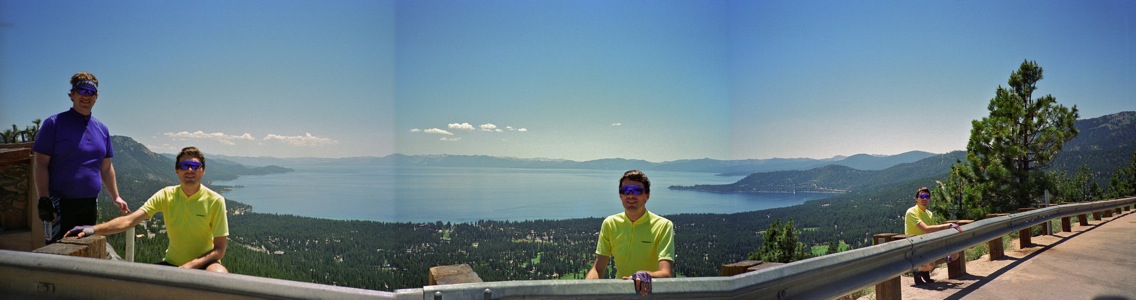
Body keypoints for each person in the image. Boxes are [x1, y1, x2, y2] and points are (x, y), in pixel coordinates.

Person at [66, 147, 230, 273]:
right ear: (177, 170)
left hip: (205, 264)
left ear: (202, 170)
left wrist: (190, 265)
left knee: (220, 275)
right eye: (185, 165)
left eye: (195, 166)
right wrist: (92, 229)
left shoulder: (215, 201)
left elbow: (219, 249)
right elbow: (130, 220)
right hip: (172, 263)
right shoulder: (166, 195)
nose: (190, 170)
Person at [34, 71, 130, 245]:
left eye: (91, 92)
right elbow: (40, 163)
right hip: (59, 204)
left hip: (89, 203)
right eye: (82, 91)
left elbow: (106, 167)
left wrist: (116, 196)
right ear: (72, 94)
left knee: (84, 251)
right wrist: (43, 198)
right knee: (57, 253)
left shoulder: (102, 129)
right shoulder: (54, 124)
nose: (86, 96)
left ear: (96, 96)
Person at [586, 170, 675, 296]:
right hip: (621, 293)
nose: (631, 195)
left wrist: (644, 275)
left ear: (647, 195)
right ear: (620, 195)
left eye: (637, 190)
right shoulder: (610, 223)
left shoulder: (663, 226)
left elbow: (666, 273)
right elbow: (598, 269)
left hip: (651, 294)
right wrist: (585, 289)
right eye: (625, 190)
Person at [904, 186, 964, 285]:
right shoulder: (911, 212)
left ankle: (925, 269)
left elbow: (932, 232)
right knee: (931, 264)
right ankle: (918, 270)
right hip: (914, 247)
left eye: (927, 196)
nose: (925, 199)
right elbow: (926, 229)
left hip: (926, 245)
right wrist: (948, 225)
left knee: (954, 254)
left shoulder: (929, 214)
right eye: (922, 196)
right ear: (916, 199)